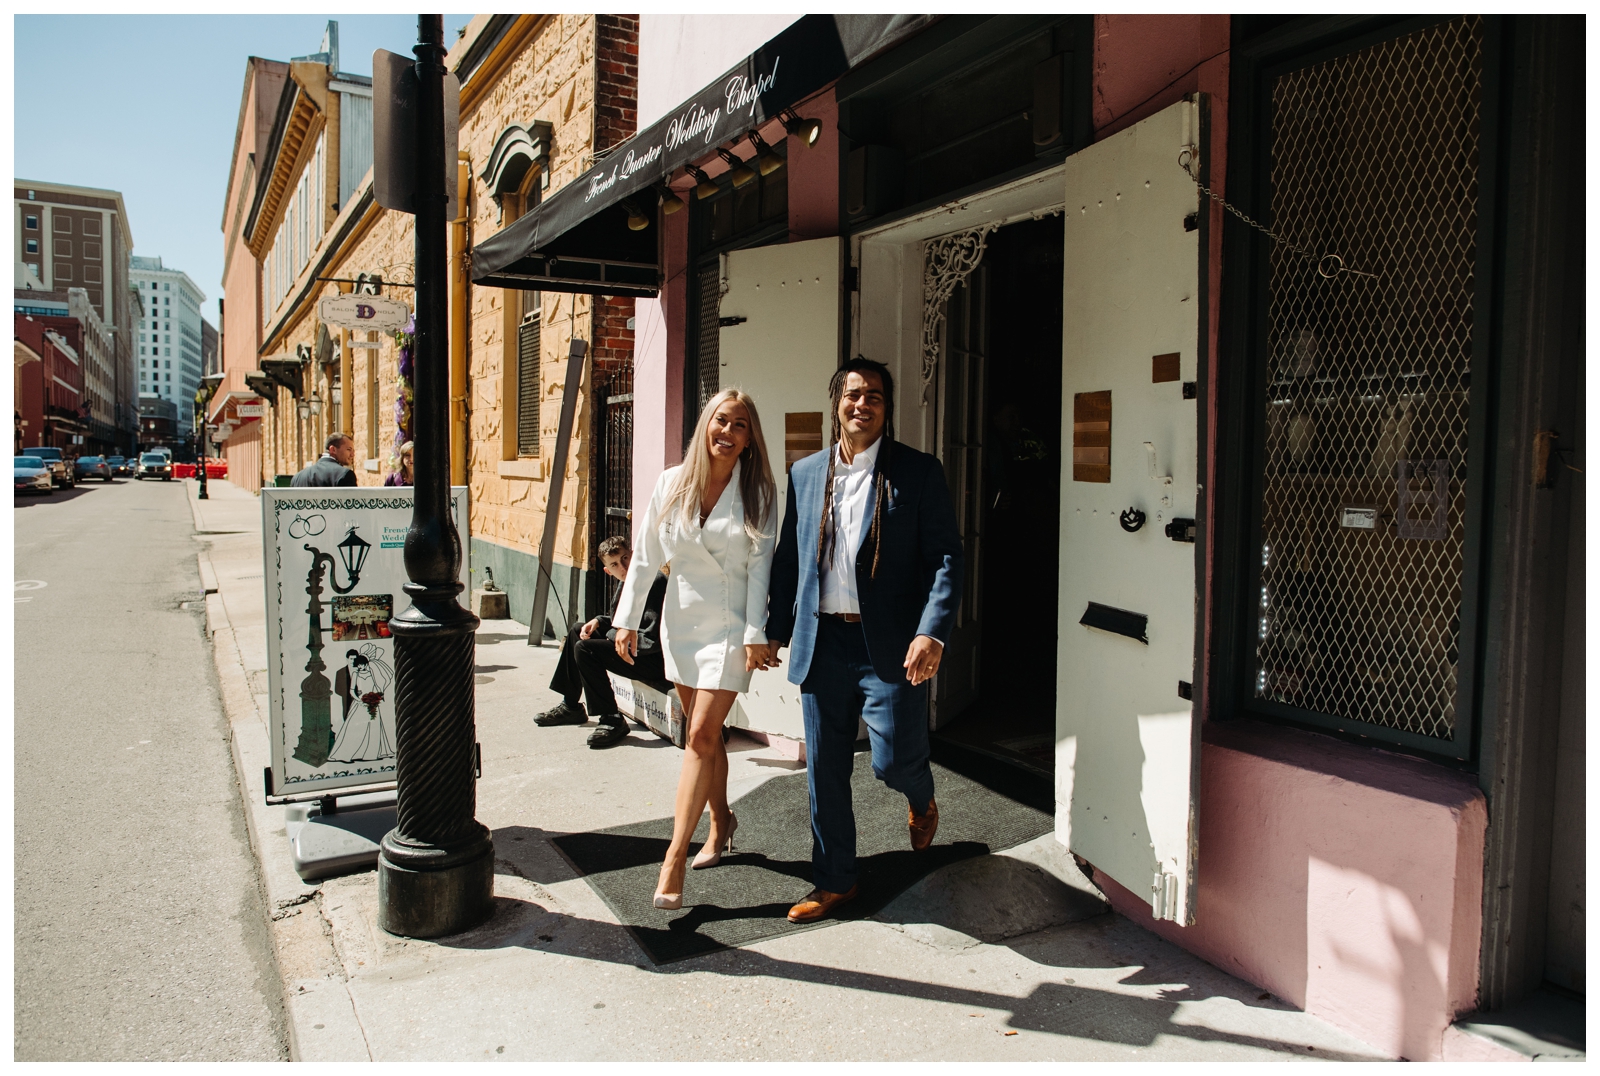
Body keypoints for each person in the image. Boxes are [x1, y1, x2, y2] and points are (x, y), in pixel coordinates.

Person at [766, 357, 963, 924]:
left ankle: (920, 798)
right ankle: (835, 881)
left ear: (886, 407)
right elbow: (790, 561)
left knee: (893, 760)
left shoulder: (918, 473)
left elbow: (947, 559)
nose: (862, 404)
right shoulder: (806, 474)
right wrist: (774, 633)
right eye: (853, 395)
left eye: (874, 396)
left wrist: (932, 631)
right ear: (837, 402)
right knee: (825, 768)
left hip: (891, 647)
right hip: (822, 641)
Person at [612, 388, 779, 910]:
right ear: (706, 426)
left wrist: (756, 632)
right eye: (721, 421)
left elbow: (761, 570)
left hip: (730, 632)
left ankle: (673, 858)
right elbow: (644, 558)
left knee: (701, 735)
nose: (728, 433)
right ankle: (722, 820)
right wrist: (626, 620)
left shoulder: (760, 493)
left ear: (751, 440)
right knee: (707, 738)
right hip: (680, 626)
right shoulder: (671, 483)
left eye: (741, 426)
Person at [532, 535, 669, 749]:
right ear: (608, 571)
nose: (623, 566)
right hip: (633, 652)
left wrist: (611, 635)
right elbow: (622, 622)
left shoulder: (653, 581)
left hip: (653, 661)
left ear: (633, 555)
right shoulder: (627, 582)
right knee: (578, 630)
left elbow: (650, 639)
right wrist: (598, 621)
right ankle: (571, 706)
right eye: (615, 564)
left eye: (625, 558)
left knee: (586, 649)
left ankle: (612, 718)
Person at [291, 432, 359, 487]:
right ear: (333, 449)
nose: (352, 455)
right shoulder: (344, 475)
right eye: (349, 450)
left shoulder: (297, 477)